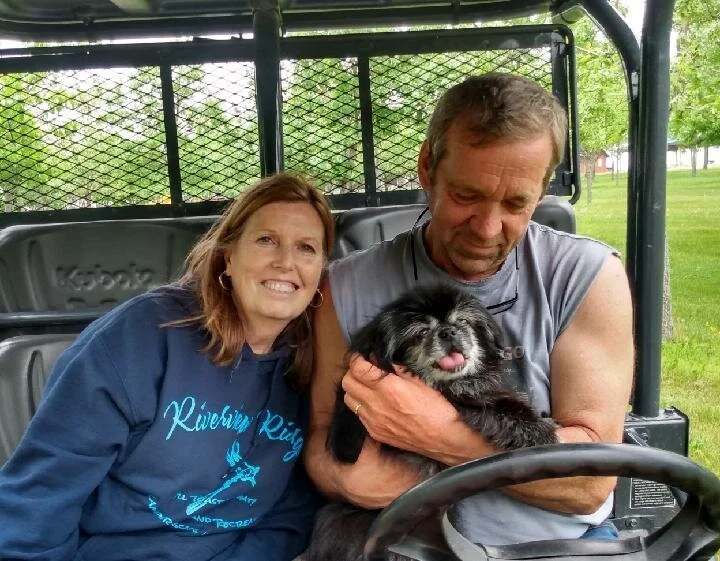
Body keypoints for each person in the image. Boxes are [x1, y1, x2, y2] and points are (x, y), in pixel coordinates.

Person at [304, 73, 634, 545]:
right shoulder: (346, 285)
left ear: (542, 190)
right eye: (467, 195)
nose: (487, 228)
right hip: (401, 543)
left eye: (516, 203)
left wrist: (438, 437)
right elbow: (321, 440)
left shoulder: (587, 276)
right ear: (427, 168)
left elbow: (589, 482)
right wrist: (345, 480)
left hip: (555, 546)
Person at [0, 173, 334, 561]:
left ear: (320, 271)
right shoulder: (140, 337)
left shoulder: (319, 359)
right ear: (228, 256)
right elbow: (44, 492)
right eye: (266, 240)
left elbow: (294, 508)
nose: (286, 262)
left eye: (306, 248)